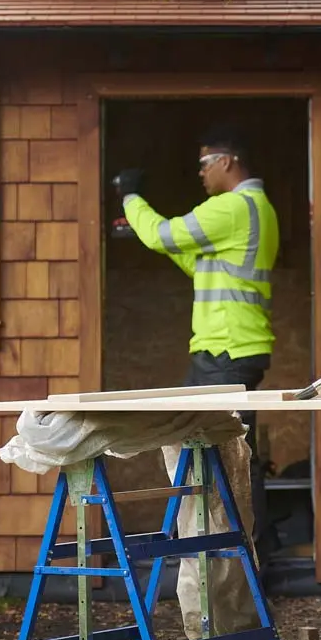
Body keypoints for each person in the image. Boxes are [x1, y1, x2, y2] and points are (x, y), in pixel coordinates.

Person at [114, 125, 279, 552]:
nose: (201, 175)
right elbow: (196, 264)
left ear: (227, 161)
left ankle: (233, 554)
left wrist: (131, 198)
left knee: (218, 455)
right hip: (236, 347)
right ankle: (251, 549)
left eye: (205, 165)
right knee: (237, 454)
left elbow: (162, 234)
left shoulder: (232, 208)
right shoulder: (256, 209)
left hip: (223, 348)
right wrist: (154, 237)